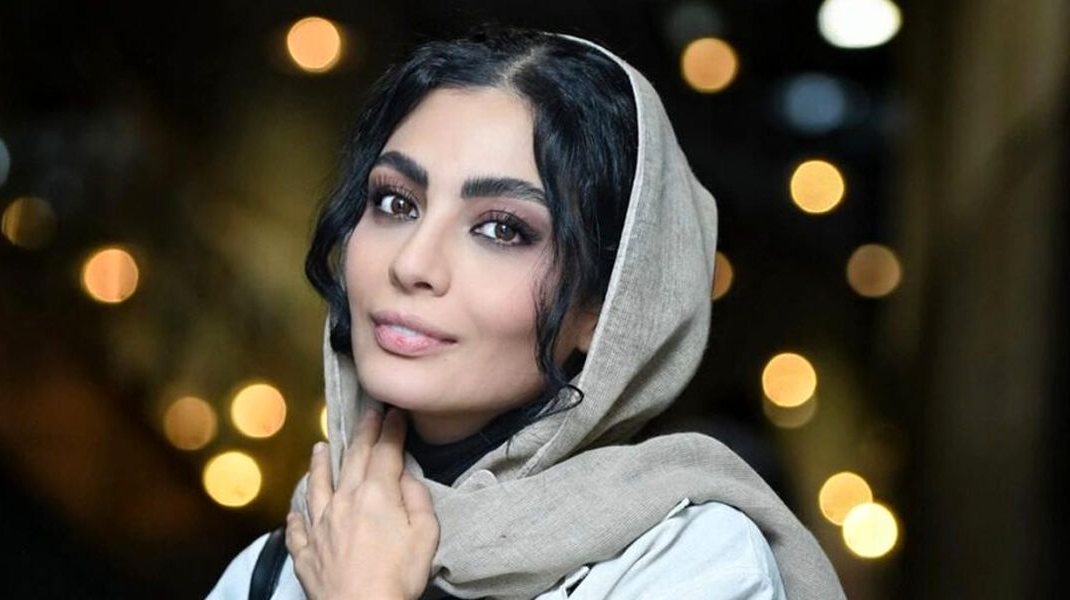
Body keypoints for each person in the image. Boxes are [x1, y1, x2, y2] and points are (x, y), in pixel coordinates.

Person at [209, 25, 845, 600]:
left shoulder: (694, 562)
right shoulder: (280, 565)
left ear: (605, 310)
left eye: (501, 229)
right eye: (397, 203)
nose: (412, 262)